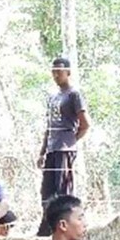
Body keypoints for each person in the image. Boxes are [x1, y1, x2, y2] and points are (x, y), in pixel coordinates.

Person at [34, 56, 89, 229]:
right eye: (54, 72)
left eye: (59, 71)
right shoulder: (52, 98)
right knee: (47, 190)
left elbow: (85, 124)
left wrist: (71, 140)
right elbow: (49, 126)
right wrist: (42, 152)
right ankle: (47, 227)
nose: (56, 75)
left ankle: (68, 226)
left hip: (65, 148)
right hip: (51, 148)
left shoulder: (74, 94)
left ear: (68, 72)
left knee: (63, 189)